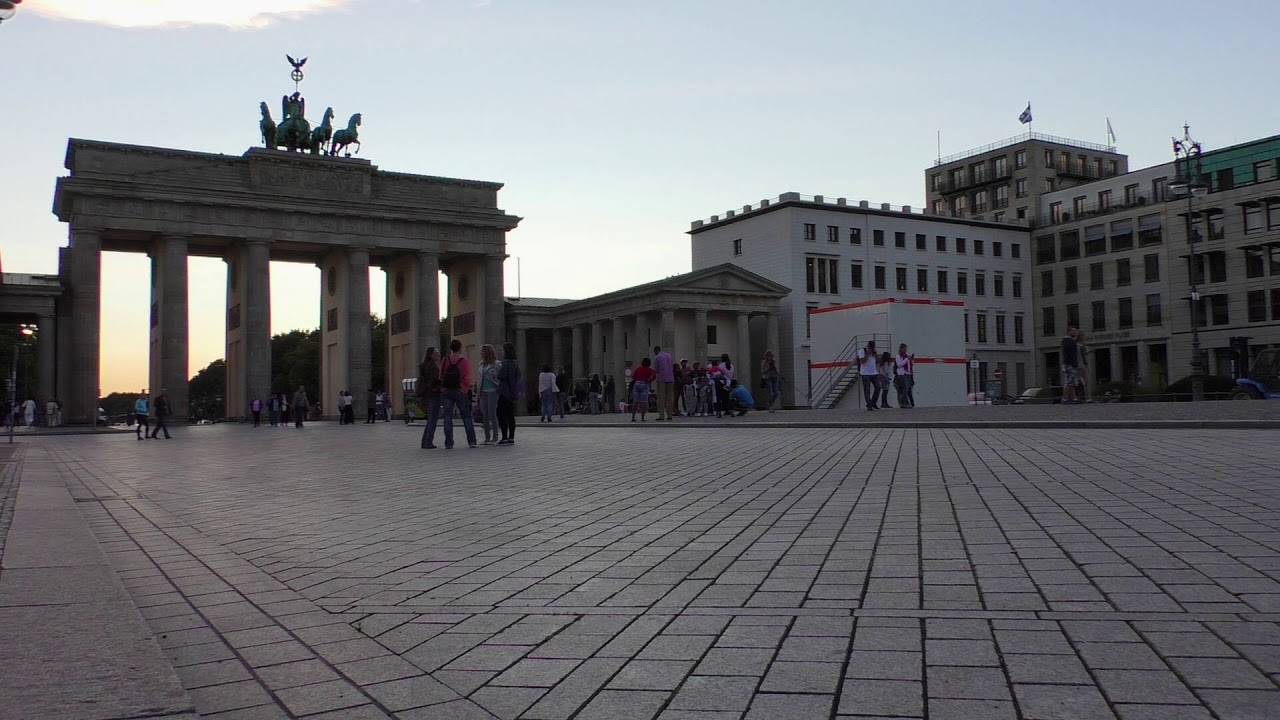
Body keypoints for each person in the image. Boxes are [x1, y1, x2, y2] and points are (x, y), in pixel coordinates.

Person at [440, 339, 478, 448]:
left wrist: (443, 388)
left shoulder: (445, 359)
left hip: (447, 391)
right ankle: (471, 441)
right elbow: (467, 376)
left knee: (447, 417)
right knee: (466, 416)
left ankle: (448, 443)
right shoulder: (463, 361)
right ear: (460, 348)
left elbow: (440, 374)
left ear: (450, 348)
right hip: (460, 391)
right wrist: (464, 389)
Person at [496, 342, 522, 445]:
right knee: (510, 415)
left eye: (503, 350)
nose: (502, 352)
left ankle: (504, 437)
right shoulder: (515, 363)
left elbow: (502, 376)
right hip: (512, 393)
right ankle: (511, 437)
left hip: (505, 392)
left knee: (501, 414)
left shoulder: (506, 363)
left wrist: (496, 375)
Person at [417, 347, 443, 448]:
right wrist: (439, 386)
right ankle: (428, 442)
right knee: (433, 420)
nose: (438, 355)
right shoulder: (432, 366)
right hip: (433, 394)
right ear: (431, 354)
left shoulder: (424, 365)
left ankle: (424, 441)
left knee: (430, 419)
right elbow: (434, 380)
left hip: (425, 395)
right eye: (437, 353)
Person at [478, 344, 500, 445]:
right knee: (485, 415)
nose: (481, 353)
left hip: (492, 391)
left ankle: (495, 437)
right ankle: (487, 437)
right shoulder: (481, 364)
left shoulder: (496, 364)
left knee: (492, 414)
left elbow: (499, 377)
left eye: (482, 351)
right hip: (483, 391)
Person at [653, 345, 675, 421]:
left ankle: (661, 416)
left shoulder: (657, 357)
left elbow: (656, 369)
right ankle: (669, 415)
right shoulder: (669, 356)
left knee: (661, 398)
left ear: (655, 351)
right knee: (670, 398)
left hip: (662, 379)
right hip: (670, 378)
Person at [631, 357, 656, 422]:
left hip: (637, 383)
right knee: (643, 401)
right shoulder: (649, 369)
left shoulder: (638, 369)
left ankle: (633, 417)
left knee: (636, 401)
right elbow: (654, 376)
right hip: (644, 384)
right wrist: (649, 380)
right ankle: (642, 418)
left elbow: (633, 377)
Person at [1061, 327, 1081, 405]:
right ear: (1068, 332)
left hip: (1069, 363)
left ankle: (1074, 398)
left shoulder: (1069, 341)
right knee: (1069, 382)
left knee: (1072, 382)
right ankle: (1065, 399)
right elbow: (1070, 354)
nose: (1075, 332)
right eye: (1073, 330)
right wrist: (1073, 364)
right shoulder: (1068, 341)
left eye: (1075, 330)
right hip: (1070, 364)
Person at [895, 344, 915, 409]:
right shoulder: (898, 356)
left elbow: (911, 365)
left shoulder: (906, 356)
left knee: (907, 389)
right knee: (905, 388)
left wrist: (911, 360)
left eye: (906, 348)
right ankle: (905, 403)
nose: (905, 350)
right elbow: (899, 365)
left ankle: (903, 403)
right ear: (901, 349)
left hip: (908, 373)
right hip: (902, 373)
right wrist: (906, 360)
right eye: (904, 348)